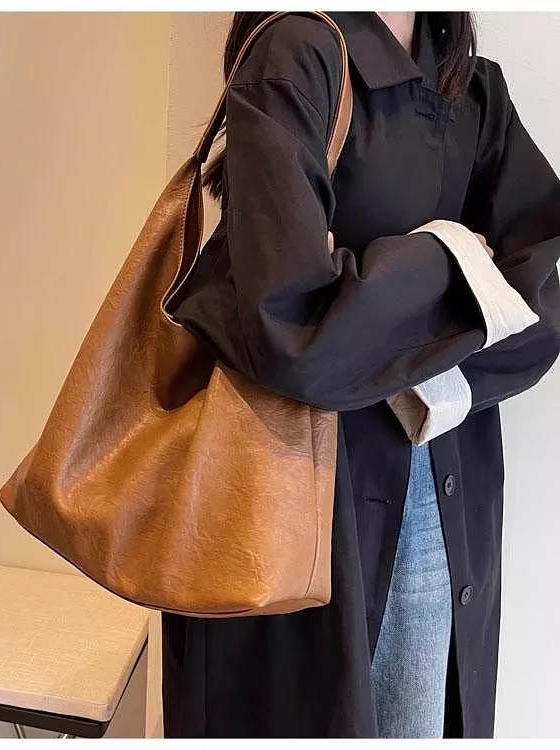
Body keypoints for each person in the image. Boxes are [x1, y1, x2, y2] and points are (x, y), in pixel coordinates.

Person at [161, 10, 560, 739]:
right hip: (294, 499)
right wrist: (453, 258)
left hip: (442, 498)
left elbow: (544, 305)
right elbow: (293, 328)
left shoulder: (472, 85)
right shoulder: (295, 53)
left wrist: (374, 305)